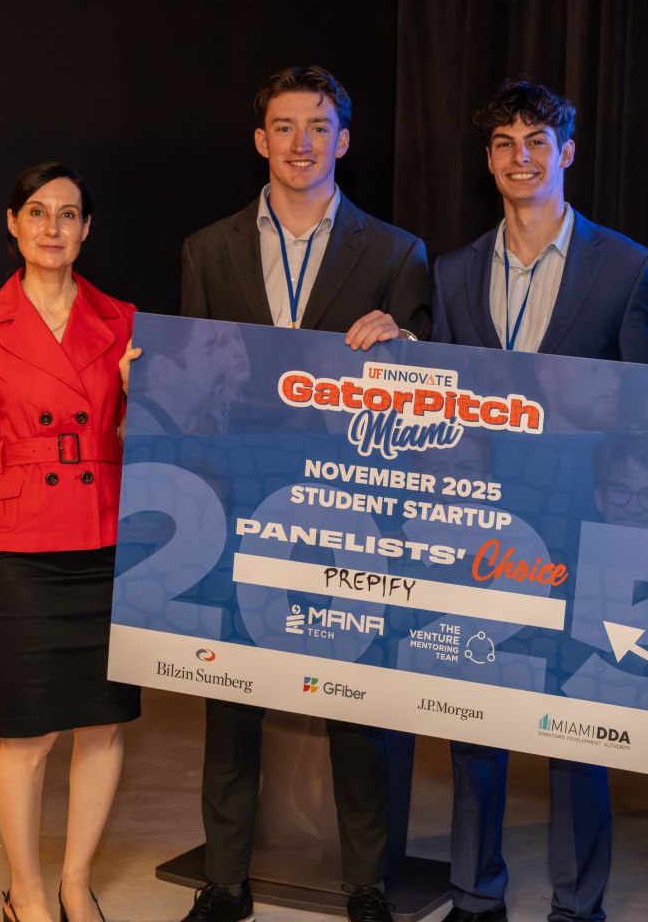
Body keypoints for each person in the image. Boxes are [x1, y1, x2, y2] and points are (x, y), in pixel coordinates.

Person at [161, 65, 431, 922]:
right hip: (236, 499)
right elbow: (197, 384)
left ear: (343, 141)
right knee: (229, 690)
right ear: (259, 141)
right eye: (284, 127)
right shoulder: (207, 250)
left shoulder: (396, 252)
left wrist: (407, 342)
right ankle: (226, 880)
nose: (301, 143)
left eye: (319, 127)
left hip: (346, 504)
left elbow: (426, 398)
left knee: (357, 695)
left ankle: (366, 882)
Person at [431, 79, 648, 922]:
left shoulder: (629, 266)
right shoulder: (453, 271)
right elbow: (446, 398)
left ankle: (578, 904)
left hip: (585, 531)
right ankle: (473, 892)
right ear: (488, 159)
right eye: (504, 143)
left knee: (578, 727)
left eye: (538, 141)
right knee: (474, 717)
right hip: (485, 528)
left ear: (567, 153)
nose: (520, 157)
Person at [0, 162, 141, 922]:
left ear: (87, 229)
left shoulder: (123, 320)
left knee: (102, 724)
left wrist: (133, 393)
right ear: (12, 224)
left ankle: (73, 881)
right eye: (37, 212)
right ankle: (26, 889)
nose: (52, 228)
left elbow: (138, 441)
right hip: (18, 544)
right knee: (28, 733)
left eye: (68, 214)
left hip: (107, 538)